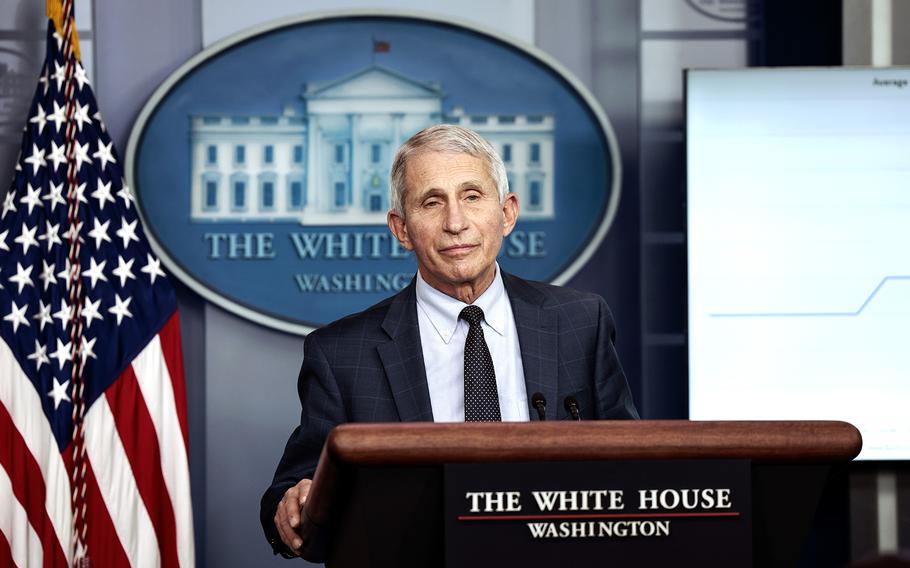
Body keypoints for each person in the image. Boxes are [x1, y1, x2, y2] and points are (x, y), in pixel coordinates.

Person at [261, 124, 639, 557]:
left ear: (507, 213)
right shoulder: (342, 353)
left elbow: (630, 465)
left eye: (472, 196)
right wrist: (292, 505)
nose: (455, 223)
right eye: (431, 202)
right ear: (401, 228)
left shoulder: (579, 322)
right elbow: (292, 496)